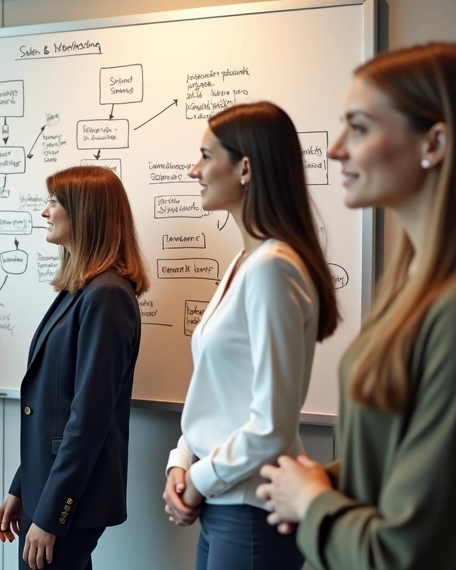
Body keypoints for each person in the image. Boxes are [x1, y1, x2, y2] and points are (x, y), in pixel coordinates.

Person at [257, 43, 456, 570]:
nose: (336, 150)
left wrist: (312, 502)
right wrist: (324, 481)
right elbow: (401, 463)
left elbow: (406, 555)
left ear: (435, 142)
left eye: (358, 128)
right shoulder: (415, 293)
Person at [160, 102, 340, 569]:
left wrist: (199, 478)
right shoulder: (246, 262)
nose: (193, 169)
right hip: (225, 503)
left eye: (204, 155)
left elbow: (271, 425)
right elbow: (217, 394)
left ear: (244, 168)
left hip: (249, 510)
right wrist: (181, 462)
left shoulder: (272, 268)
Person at [0, 165, 150, 570]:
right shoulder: (80, 289)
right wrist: (22, 487)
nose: (45, 213)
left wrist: (51, 514)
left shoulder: (108, 295)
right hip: (47, 485)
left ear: (86, 214)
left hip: (70, 499)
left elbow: (89, 418)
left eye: (54, 203)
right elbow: (54, 411)